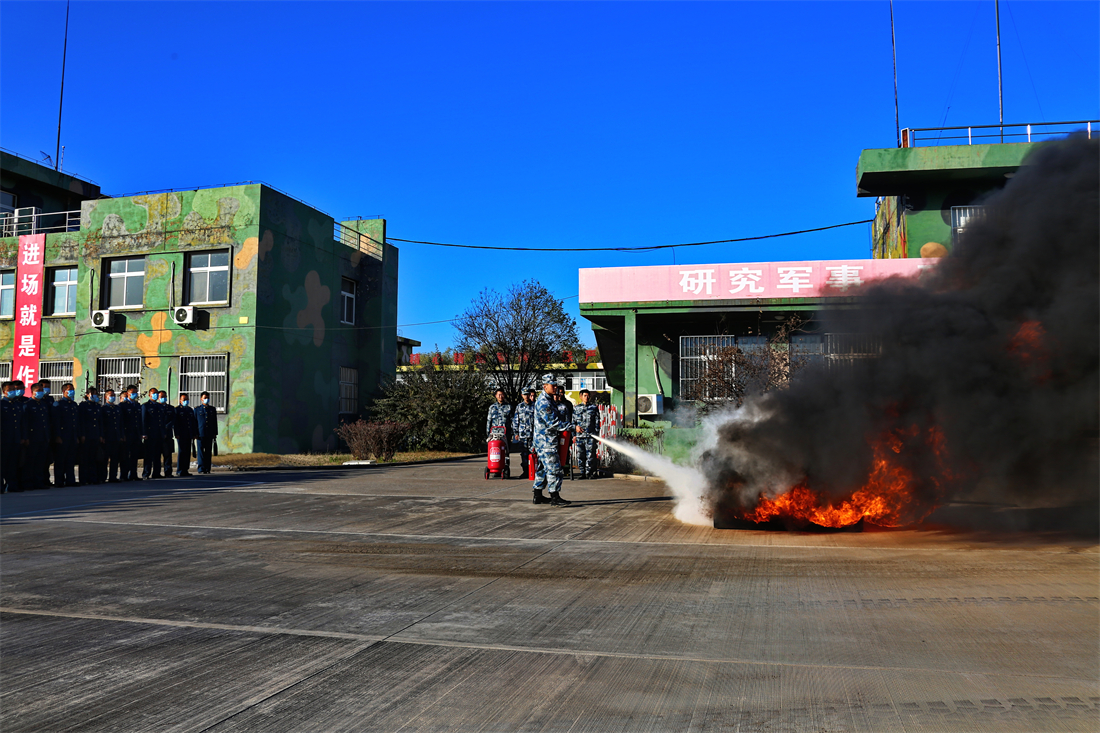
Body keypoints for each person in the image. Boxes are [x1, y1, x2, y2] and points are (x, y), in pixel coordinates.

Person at [531, 374, 575, 507]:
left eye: (556, 384)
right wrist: (573, 427)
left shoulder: (549, 400)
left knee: (543, 469)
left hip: (544, 441)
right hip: (546, 442)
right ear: (545, 386)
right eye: (552, 385)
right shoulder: (544, 403)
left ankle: (537, 495)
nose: (555, 387)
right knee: (554, 469)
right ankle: (555, 497)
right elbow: (554, 423)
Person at [22, 382, 52, 490]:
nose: (41, 392)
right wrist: (26, 437)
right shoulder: (28, 404)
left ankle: (39, 482)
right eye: (38, 390)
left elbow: (46, 422)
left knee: (40, 462)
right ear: (33, 391)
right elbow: (25, 423)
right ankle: (28, 483)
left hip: (43, 437)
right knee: (30, 462)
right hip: (32, 438)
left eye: (41, 390)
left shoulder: (43, 404)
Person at [51, 382, 80, 488]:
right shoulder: (58, 404)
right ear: (64, 391)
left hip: (72, 436)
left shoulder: (73, 405)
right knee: (60, 460)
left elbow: (75, 422)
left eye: (73, 389)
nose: (72, 391)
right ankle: (59, 481)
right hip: (62, 437)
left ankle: (70, 480)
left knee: (70, 459)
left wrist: (76, 436)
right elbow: (56, 422)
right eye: (69, 389)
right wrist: (57, 436)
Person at [1, 381, 25, 493]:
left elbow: (22, 423)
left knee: (13, 464)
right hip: (4, 439)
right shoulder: (1, 405)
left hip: (15, 439)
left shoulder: (17, 405)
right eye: (10, 390)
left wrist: (22, 437)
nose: (13, 392)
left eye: (13, 389)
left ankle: (12, 485)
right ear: (4, 392)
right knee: (2, 464)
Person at [573, 389, 601, 480]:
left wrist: (596, 434)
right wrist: (574, 432)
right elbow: (573, 422)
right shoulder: (576, 408)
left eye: (588, 395)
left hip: (590, 436)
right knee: (581, 455)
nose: (587, 397)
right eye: (585, 395)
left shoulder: (593, 408)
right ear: (581, 396)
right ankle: (582, 473)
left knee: (591, 456)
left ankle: (590, 473)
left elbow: (597, 421)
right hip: (580, 436)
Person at [78, 387, 104, 486]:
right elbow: (81, 421)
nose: (95, 395)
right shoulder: (83, 406)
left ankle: (93, 478)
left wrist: (101, 435)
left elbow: (100, 422)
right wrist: (82, 434)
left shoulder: (97, 406)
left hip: (95, 435)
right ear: (87, 394)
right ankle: (83, 479)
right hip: (86, 435)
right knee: (85, 458)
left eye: (96, 393)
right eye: (92, 393)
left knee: (94, 458)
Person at [510, 388, 537, 478]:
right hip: (523, 434)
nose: (526, 396)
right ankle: (525, 471)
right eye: (524, 394)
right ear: (522, 395)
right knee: (524, 454)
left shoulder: (535, 406)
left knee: (534, 453)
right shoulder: (519, 407)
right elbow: (516, 420)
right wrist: (516, 432)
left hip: (533, 434)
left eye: (528, 394)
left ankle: (534, 470)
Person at [119, 385, 143, 481]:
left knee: (134, 455)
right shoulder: (123, 405)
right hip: (127, 434)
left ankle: (133, 474)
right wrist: (122, 434)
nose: (134, 394)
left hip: (136, 434)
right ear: (128, 393)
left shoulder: (137, 405)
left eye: (136, 392)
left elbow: (140, 421)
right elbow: (121, 421)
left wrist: (141, 433)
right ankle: (124, 475)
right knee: (125, 456)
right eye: (132, 393)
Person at [101, 389, 125, 483]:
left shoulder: (117, 408)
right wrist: (102, 436)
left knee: (115, 458)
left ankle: (113, 477)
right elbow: (102, 424)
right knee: (105, 459)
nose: (112, 397)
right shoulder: (103, 409)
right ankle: (103, 477)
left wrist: (122, 435)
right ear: (106, 397)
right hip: (107, 437)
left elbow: (120, 423)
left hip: (116, 437)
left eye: (114, 395)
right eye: (110, 395)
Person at [485, 388, 512, 467]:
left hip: (505, 434)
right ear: (496, 396)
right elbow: (489, 420)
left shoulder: (509, 407)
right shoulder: (492, 407)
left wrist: (512, 433)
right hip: (494, 434)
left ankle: (505, 468)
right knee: (495, 451)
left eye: (502, 394)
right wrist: (488, 433)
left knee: (505, 452)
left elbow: (512, 420)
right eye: (499, 395)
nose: (501, 396)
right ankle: (495, 467)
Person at [141, 387, 164, 479]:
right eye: (153, 393)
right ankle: (146, 473)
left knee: (157, 455)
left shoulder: (160, 406)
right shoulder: (145, 406)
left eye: (157, 393)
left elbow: (161, 421)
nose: (155, 395)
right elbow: (143, 420)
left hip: (158, 434)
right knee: (148, 455)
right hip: (149, 434)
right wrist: (144, 433)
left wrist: (163, 432)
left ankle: (156, 473)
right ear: (149, 395)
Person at [175, 393, 198, 477]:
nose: (186, 401)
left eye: (187, 399)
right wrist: (177, 433)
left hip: (189, 434)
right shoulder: (177, 410)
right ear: (180, 400)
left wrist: (194, 433)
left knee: (187, 452)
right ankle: (180, 470)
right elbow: (176, 423)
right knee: (182, 452)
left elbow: (193, 423)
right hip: (181, 434)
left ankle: (185, 469)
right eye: (184, 399)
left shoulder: (190, 410)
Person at [194, 391, 218, 474]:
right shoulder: (197, 409)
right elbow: (195, 422)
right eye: (205, 398)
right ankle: (201, 468)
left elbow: (214, 422)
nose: (206, 399)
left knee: (208, 451)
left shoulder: (212, 409)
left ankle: (207, 468)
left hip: (209, 433)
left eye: (207, 398)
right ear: (201, 399)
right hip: (200, 434)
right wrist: (195, 433)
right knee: (200, 452)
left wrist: (215, 433)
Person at [158, 390, 174, 477]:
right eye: (161, 397)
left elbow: (173, 419)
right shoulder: (156, 407)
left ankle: (168, 472)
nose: (163, 398)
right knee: (157, 455)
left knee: (168, 455)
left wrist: (167, 426)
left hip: (168, 434)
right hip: (158, 435)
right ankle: (157, 472)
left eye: (165, 396)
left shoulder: (170, 408)